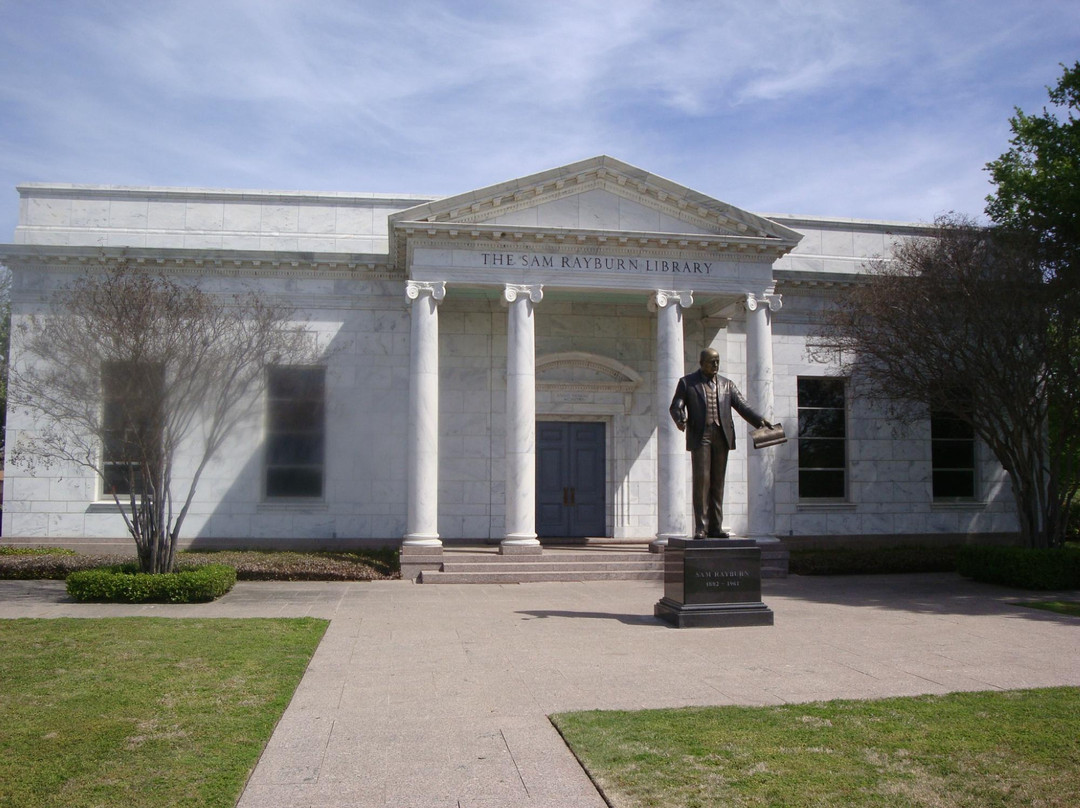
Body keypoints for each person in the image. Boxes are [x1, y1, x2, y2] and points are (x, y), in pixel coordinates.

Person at [669, 348, 773, 539]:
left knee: (718, 483)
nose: (716, 365)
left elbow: (742, 406)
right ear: (702, 363)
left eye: (717, 361)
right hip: (701, 436)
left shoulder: (727, 384)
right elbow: (676, 405)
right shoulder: (687, 382)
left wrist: (760, 420)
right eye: (712, 361)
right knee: (702, 482)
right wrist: (680, 417)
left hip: (722, 436)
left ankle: (716, 527)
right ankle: (701, 527)